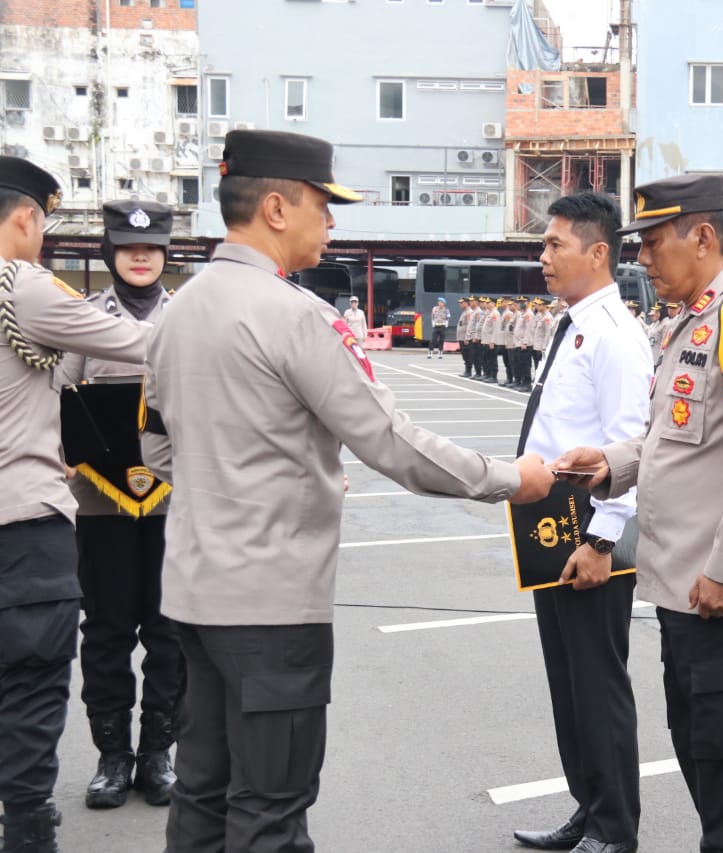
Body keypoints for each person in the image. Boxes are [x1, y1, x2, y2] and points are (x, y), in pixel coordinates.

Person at [141, 129, 554, 853]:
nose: (332, 221)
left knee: (202, 797)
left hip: (193, 593)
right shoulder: (297, 316)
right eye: (322, 204)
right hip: (272, 607)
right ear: (276, 207)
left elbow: (154, 444)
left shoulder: (177, 308)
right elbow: (393, 445)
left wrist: (227, 479)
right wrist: (513, 478)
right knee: (271, 806)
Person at [557, 174, 723, 853]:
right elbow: (674, 439)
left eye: (653, 242)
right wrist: (610, 464)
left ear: (704, 236)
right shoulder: (692, 323)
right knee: (699, 749)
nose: (641, 258)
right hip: (686, 590)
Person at [0, 158, 152, 853]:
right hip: (23, 527)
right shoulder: (23, 288)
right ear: (26, 218)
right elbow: (144, 342)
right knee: (31, 690)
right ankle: (29, 833)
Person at [512, 192, 650, 853]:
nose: (543, 257)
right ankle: (588, 805)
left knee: (597, 683)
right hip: (548, 524)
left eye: (555, 245)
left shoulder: (618, 337)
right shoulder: (571, 323)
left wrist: (602, 541)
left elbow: (628, 444)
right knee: (567, 683)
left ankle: (615, 827)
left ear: (598, 253)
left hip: (589, 528)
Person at [54, 199, 184, 811]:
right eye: (130, 248)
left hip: (174, 503)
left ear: (164, 255)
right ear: (110, 253)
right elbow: (62, 404)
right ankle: (112, 757)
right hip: (100, 504)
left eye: (153, 248)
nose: (141, 256)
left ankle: (158, 753)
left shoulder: (187, 319)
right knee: (106, 630)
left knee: (167, 630)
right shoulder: (84, 319)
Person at [457, 297, 475, 378]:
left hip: (465, 338)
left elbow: (469, 326)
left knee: (468, 355)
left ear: (467, 303)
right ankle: (467, 370)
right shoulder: (465, 312)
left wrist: (467, 337)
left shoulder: (469, 312)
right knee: (465, 355)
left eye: (462, 303)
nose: (460, 304)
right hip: (462, 337)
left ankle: (468, 371)